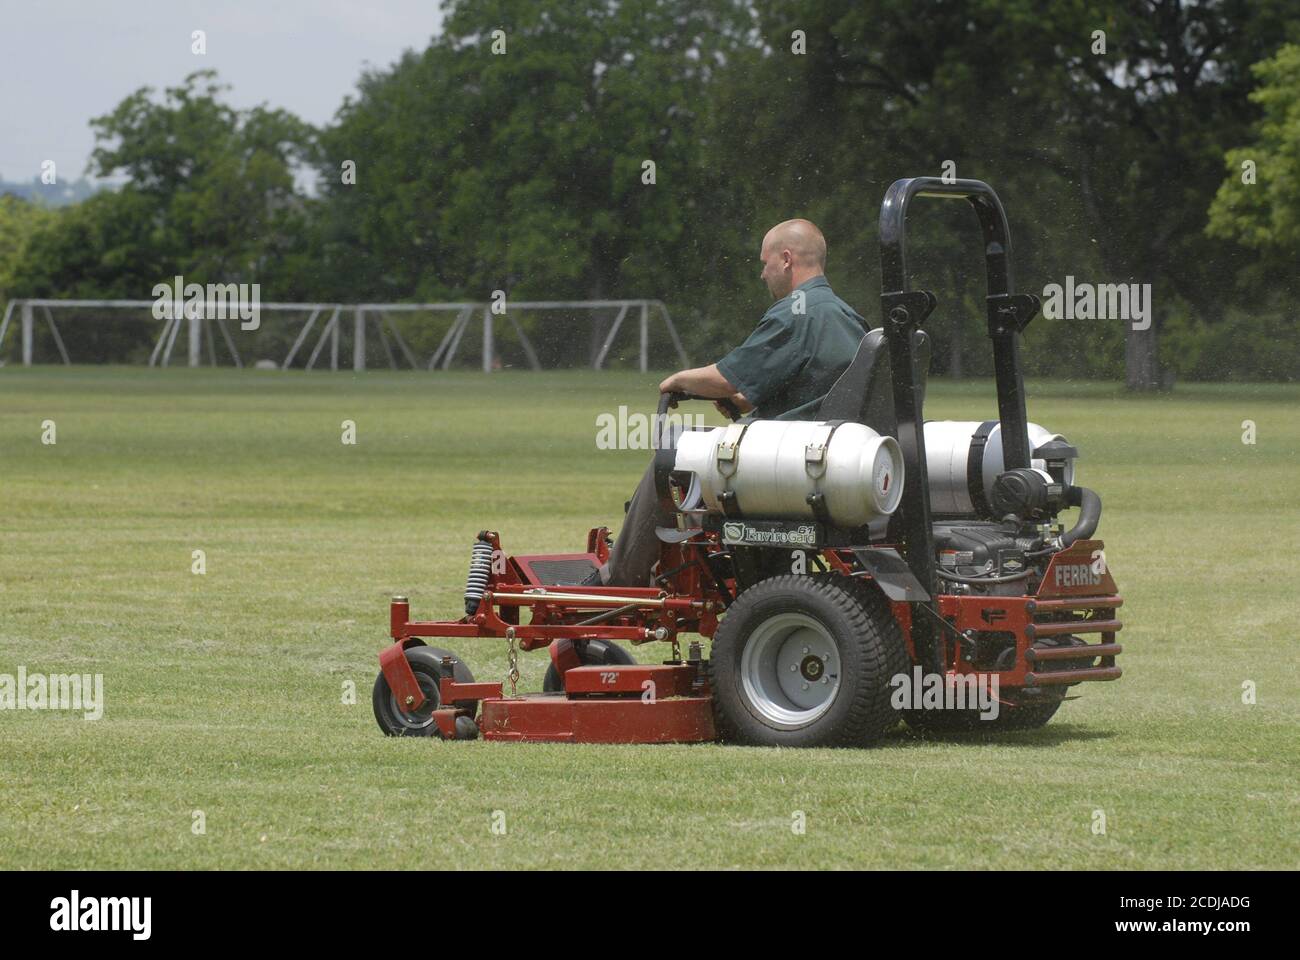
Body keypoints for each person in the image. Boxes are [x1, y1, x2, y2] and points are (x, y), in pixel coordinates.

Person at [585, 218, 869, 587]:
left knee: (673, 458)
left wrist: (678, 380)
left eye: (764, 264)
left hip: (793, 464)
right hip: (831, 458)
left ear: (786, 259)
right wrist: (739, 400)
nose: (763, 275)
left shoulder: (797, 312)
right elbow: (792, 385)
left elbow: (725, 378)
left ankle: (620, 580)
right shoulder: (847, 317)